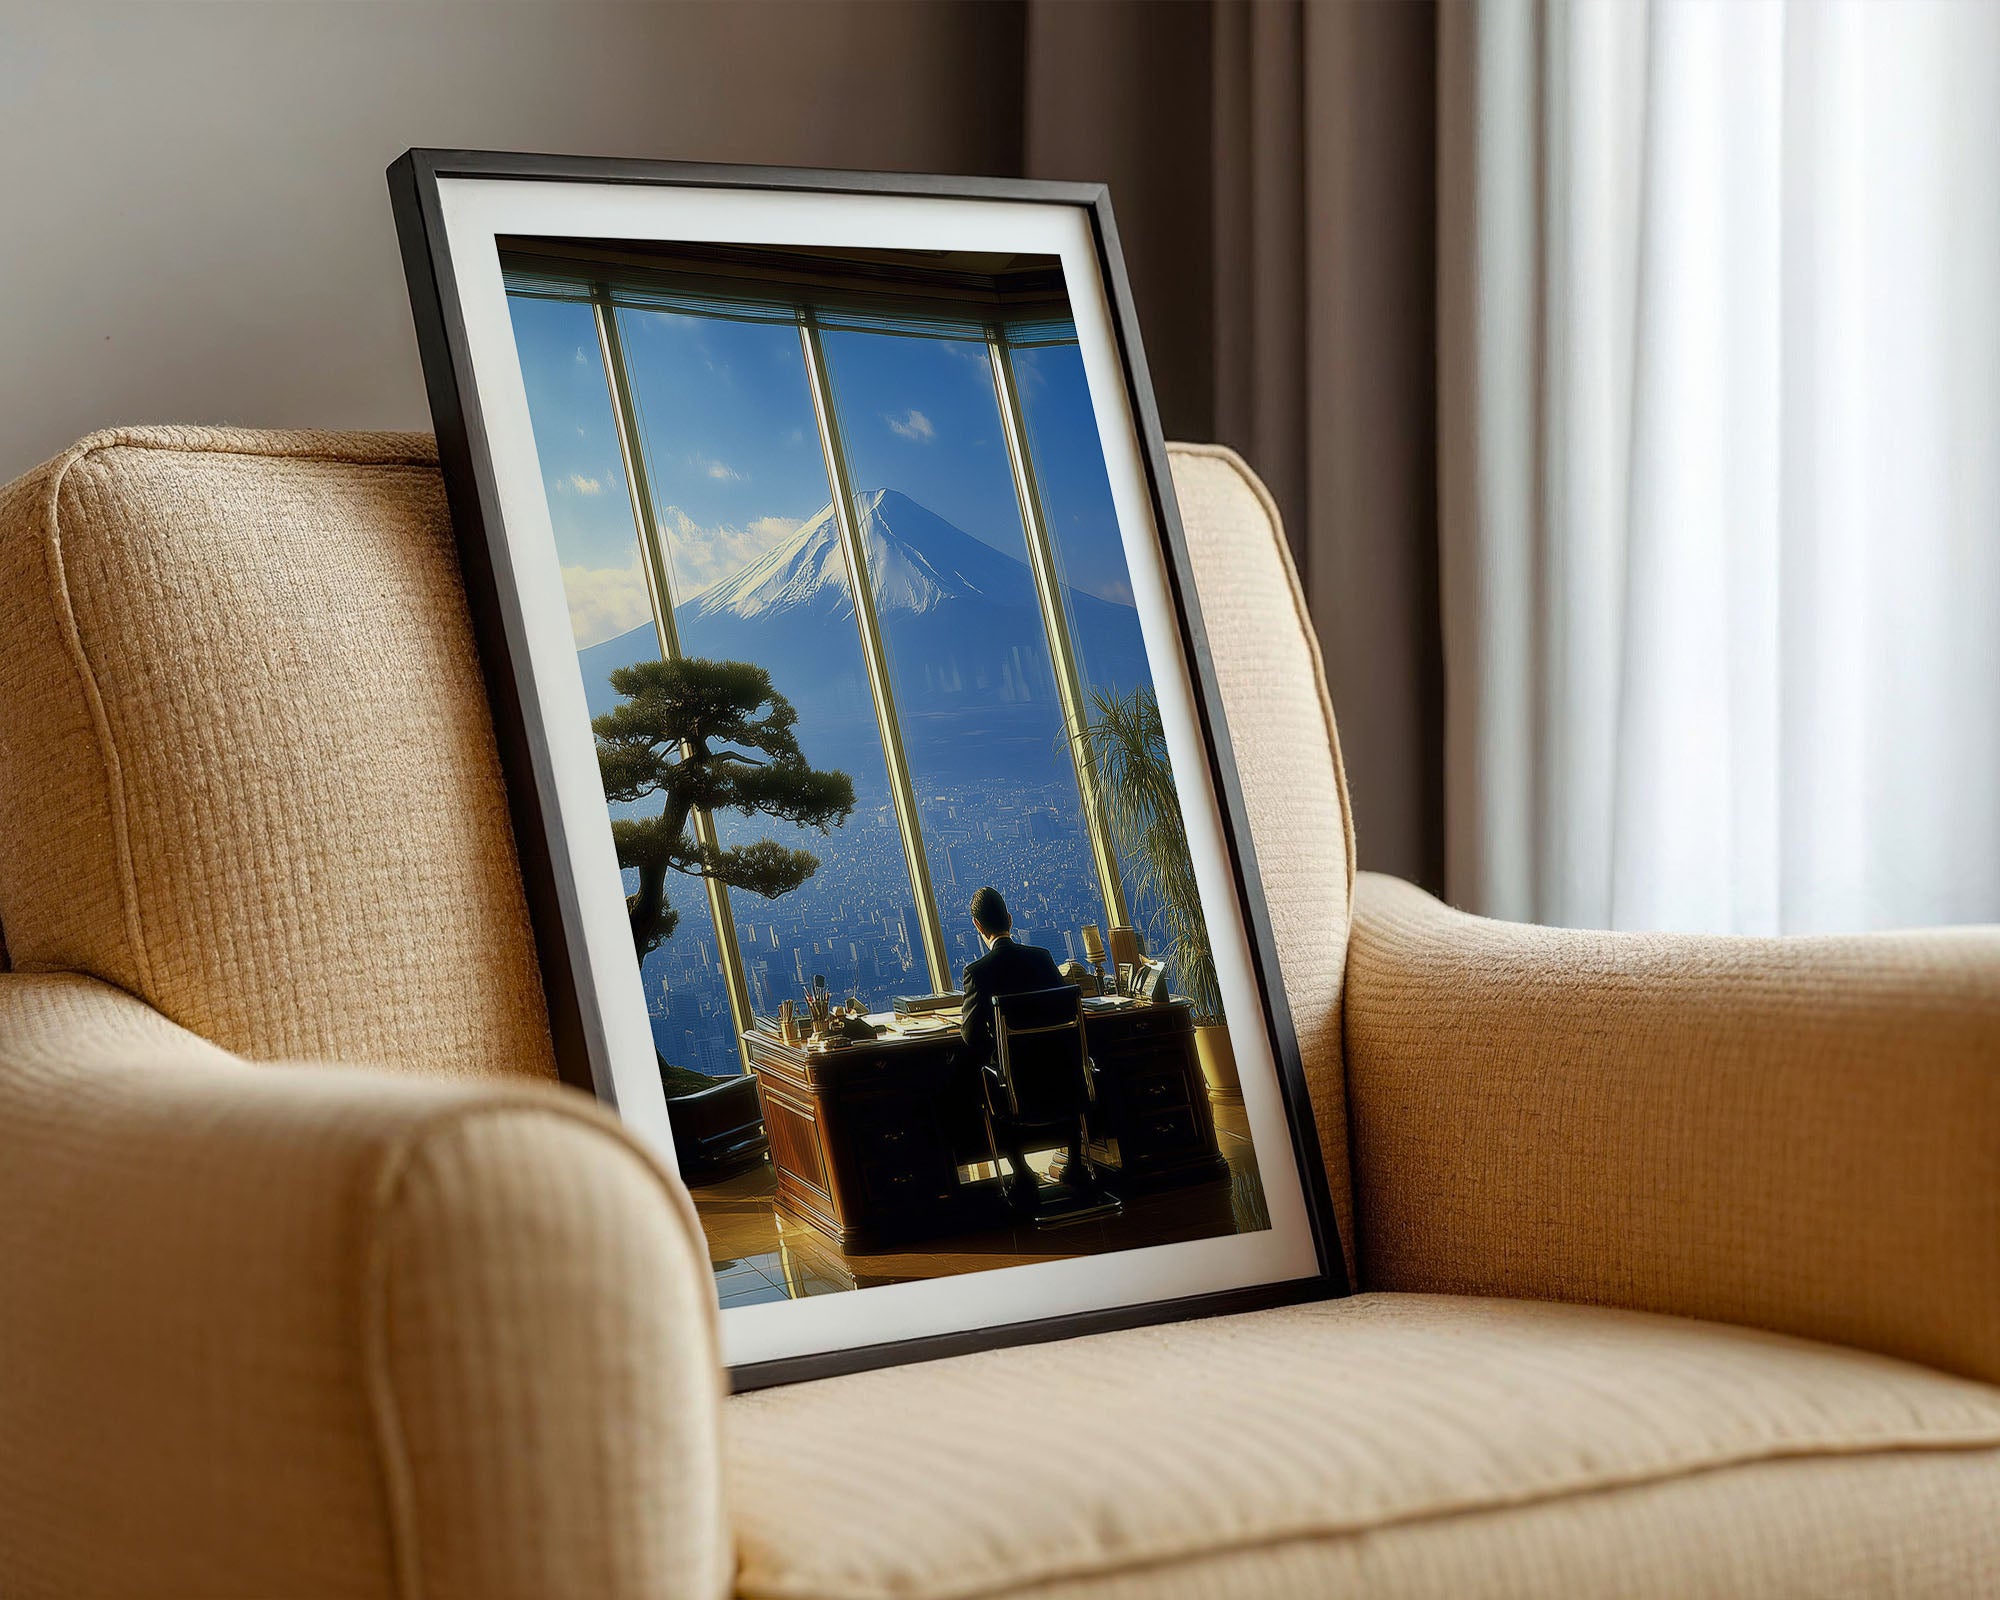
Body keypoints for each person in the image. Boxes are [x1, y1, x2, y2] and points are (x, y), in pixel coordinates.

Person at [959, 886, 1092, 1212]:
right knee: (1061, 1071)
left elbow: (970, 1036)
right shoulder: (1042, 958)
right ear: (1009, 918)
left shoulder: (977, 973)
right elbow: (1065, 1009)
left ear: (977, 926)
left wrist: (1004, 1046)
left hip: (1018, 1085)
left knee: (985, 1079)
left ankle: (1021, 1174)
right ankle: (1075, 1163)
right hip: (1064, 1075)